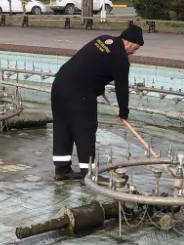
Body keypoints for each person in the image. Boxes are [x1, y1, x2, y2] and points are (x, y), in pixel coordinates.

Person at [51, 25, 144, 181]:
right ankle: (88, 174)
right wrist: (123, 113)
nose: (134, 52)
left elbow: (91, 64)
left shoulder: (102, 39)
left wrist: (98, 85)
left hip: (60, 84)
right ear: (128, 42)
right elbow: (122, 88)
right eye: (135, 48)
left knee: (63, 127)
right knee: (85, 129)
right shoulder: (120, 58)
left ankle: (62, 170)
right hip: (79, 92)